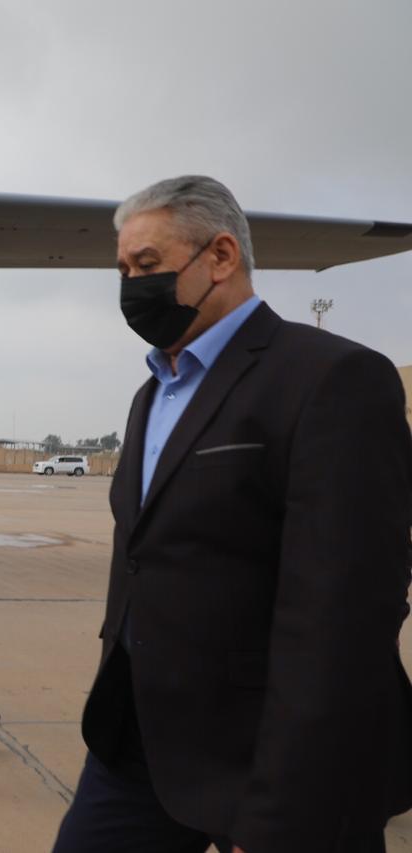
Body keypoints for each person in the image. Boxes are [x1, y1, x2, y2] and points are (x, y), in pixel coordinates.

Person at [52, 175, 412, 853]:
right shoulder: (151, 393)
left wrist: (286, 808)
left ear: (221, 256)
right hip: (140, 741)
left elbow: (346, 616)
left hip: (271, 756)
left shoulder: (331, 378)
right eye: (124, 271)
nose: (132, 286)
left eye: (148, 265)